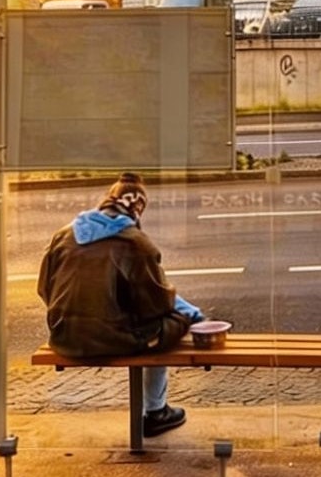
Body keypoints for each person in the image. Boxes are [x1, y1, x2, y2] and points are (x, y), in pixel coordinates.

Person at [37, 172, 205, 438]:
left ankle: (155, 407)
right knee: (171, 324)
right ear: (138, 209)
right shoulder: (136, 243)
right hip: (110, 340)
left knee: (160, 319)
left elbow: (44, 288)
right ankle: (156, 412)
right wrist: (191, 316)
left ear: (107, 201)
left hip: (63, 335)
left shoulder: (64, 234)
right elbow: (156, 306)